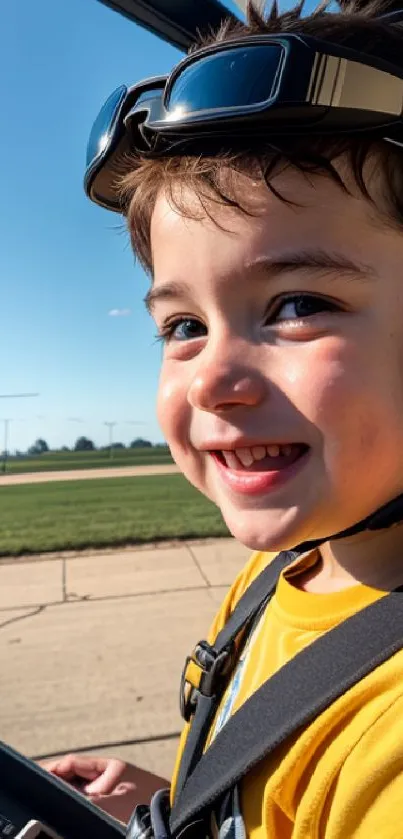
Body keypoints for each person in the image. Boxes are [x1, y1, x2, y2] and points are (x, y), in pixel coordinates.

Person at [41, 0, 403, 834]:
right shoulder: (282, 569)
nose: (213, 381)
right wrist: (176, 802)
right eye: (183, 327)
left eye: (297, 303)